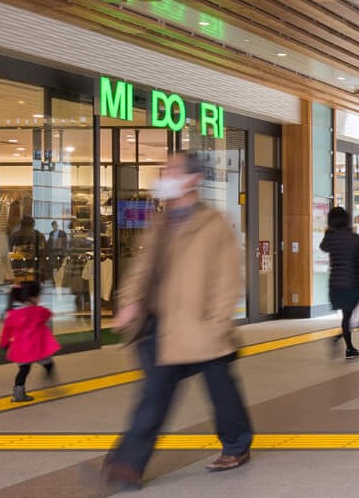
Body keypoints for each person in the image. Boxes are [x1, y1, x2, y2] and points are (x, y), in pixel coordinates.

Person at [103, 152, 253, 485]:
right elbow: (142, 268)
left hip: (203, 327)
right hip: (163, 326)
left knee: (222, 392)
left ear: (192, 179)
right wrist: (128, 302)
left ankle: (237, 444)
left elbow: (228, 282)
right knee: (155, 393)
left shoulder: (213, 224)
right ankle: (128, 462)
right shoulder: (161, 221)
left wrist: (216, 325)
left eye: (170, 170)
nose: (163, 175)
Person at [320, 206, 359, 360]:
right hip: (352, 283)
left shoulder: (331, 238)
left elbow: (323, 247)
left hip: (335, 285)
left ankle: (346, 344)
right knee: (350, 316)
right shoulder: (355, 239)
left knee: (347, 316)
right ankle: (346, 345)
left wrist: (328, 233)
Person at [1, 280, 60, 403]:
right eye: (39, 296)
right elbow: (48, 314)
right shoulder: (38, 311)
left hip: (21, 349)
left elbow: (6, 331)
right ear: (32, 297)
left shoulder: (11, 314)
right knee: (49, 363)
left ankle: (18, 393)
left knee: (23, 370)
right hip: (38, 348)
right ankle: (49, 380)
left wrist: (4, 344)